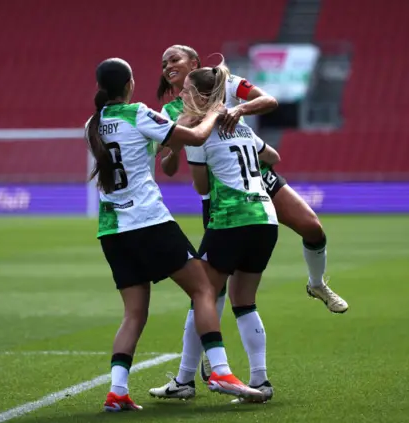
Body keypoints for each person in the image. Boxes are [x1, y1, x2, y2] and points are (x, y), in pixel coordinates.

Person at [149, 45, 348, 401]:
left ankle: (193, 376)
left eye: (174, 60)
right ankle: (253, 379)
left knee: (204, 293)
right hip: (257, 207)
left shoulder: (223, 91)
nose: (168, 68)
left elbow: (202, 181)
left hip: (232, 203)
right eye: (164, 64)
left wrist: (209, 139)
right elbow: (266, 153)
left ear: (195, 67)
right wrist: (179, 150)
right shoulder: (176, 110)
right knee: (235, 297)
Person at [85, 58, 263, 412]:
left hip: (112, 230)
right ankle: (221, 372)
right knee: (203, 289)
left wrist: (180, 122)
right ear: (130, 83)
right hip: (148, 222)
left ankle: (117, 391)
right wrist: (215, 110)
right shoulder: (137, 113)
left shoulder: (93, 124)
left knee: (133, 314)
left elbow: (152, 144)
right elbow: (195, 137)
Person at [150, 60, 282, 403]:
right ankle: (261, 380)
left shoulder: (202, 130)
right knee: (245, 301)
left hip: (230, 220)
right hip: (265, 218)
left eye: (187, 91)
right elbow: (275, 156)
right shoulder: (238, 124)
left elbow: (200, 185)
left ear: (200, 95)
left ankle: (186, 380)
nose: (182, 95)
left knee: (202, 295)